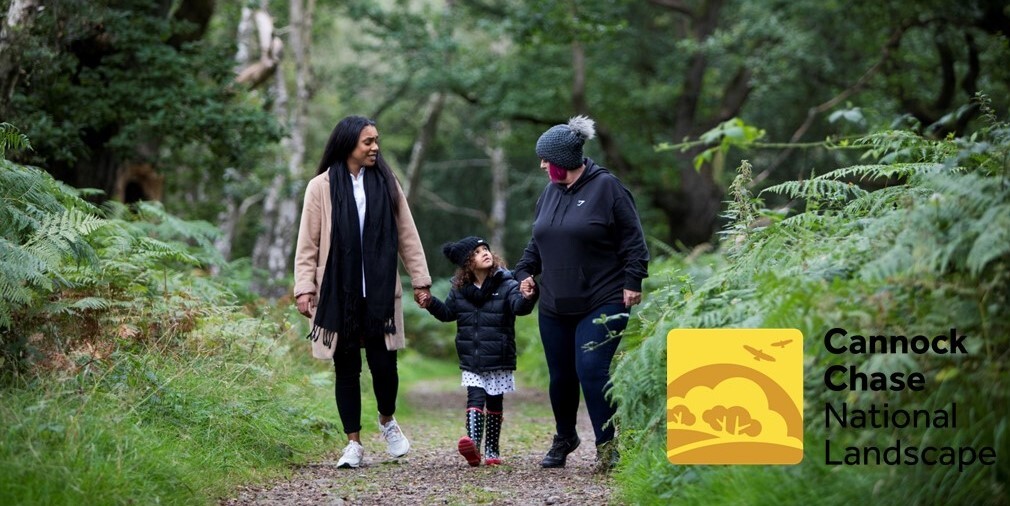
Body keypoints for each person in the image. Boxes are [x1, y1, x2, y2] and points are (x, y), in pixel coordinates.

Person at [293, 115, 432, 469]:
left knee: (385, 365)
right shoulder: (320, 187)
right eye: (367, 142)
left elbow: (407, 235)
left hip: (381, 292)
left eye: (376, 141)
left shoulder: (387, 181)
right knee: (346, 367)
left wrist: (420, 279)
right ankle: (353, 443)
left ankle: (387, 421)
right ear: (348, 145)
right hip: (340, 293)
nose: (375, 148)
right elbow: (307, 242)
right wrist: (304, 287)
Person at [514, 115, 649, 473]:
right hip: (556, 302)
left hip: (603, 298)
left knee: (591, 368)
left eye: (547, 159)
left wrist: (633, 281)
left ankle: (607, 446)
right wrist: (525, 272)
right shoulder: (549, 192)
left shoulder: (608, 188)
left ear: (565, 161)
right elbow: (538, 241)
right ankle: (565, 437)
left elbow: (634, 242)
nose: (542, 165)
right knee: (560, 376)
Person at [423, 236, 538, 467]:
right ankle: (473, 446)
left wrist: (527, 296)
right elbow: (448, 313)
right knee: (475, 396)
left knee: (495, 401)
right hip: (471, 356)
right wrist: (430, 303)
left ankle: (492, 449)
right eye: (476, 252)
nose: (484, 253)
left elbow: (519, 307)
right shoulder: (459, 290)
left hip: (498, 355)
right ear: (467, 263)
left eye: (485, 249)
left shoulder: (507, 283)